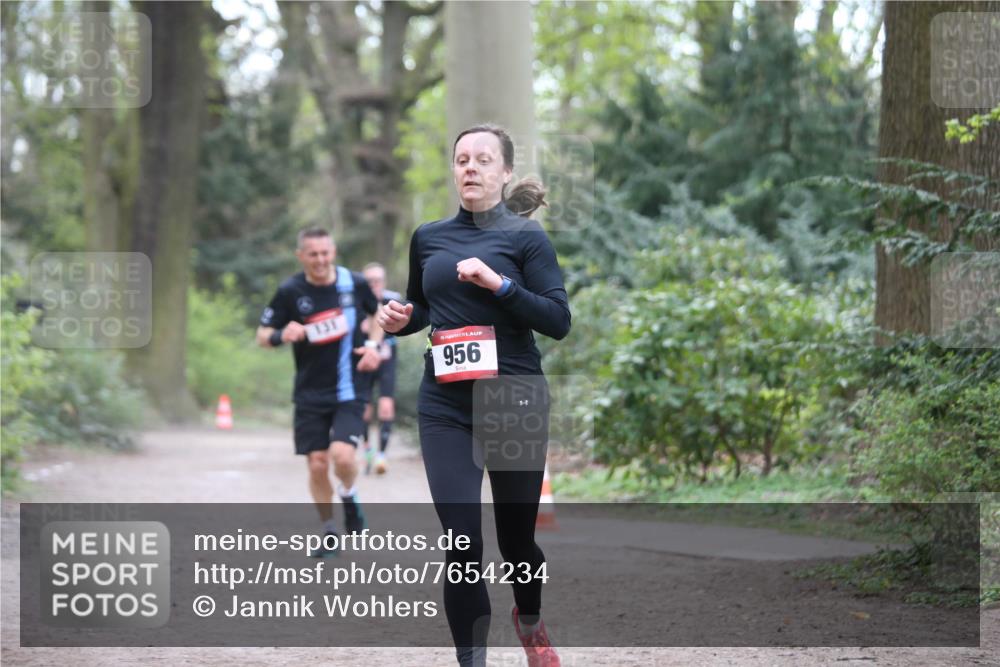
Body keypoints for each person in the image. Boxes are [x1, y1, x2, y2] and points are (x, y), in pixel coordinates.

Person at [378, 124, 570, 667]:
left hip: (514, 401)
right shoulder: (429, 237)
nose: (470, 167)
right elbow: (421, 309)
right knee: (462, 544)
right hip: (446, 407)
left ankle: (529, 619)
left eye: (483, 159)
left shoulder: (526, 239)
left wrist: (499, 285)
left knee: (516, 546)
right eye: (462, 159)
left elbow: (558, 320)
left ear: (504, 172)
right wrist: (399, 319)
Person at [256, 228, 383, 558]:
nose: (320, 260)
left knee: (342, 456)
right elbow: (262, 334)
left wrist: (373, 346)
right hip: (310, 392)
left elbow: (379, 313)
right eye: (313, 254)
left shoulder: (353, 283)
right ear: (301, 256)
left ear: (334, 252)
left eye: (325, 253)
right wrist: (284, 333)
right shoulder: (290, 291)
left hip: (350, 387)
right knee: (316, 464)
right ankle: (329, 530)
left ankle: (349, 494)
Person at [357, 262, 401, 475]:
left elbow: (406, 325)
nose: (374, 284)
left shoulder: (393, 299)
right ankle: (367, 451)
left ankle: (382, 456)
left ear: (384, 282)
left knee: (385, 406)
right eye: (369, 281)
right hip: (365, 359)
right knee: (364, 408)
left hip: (387, 360)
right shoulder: (356, 302)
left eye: (378, 280)